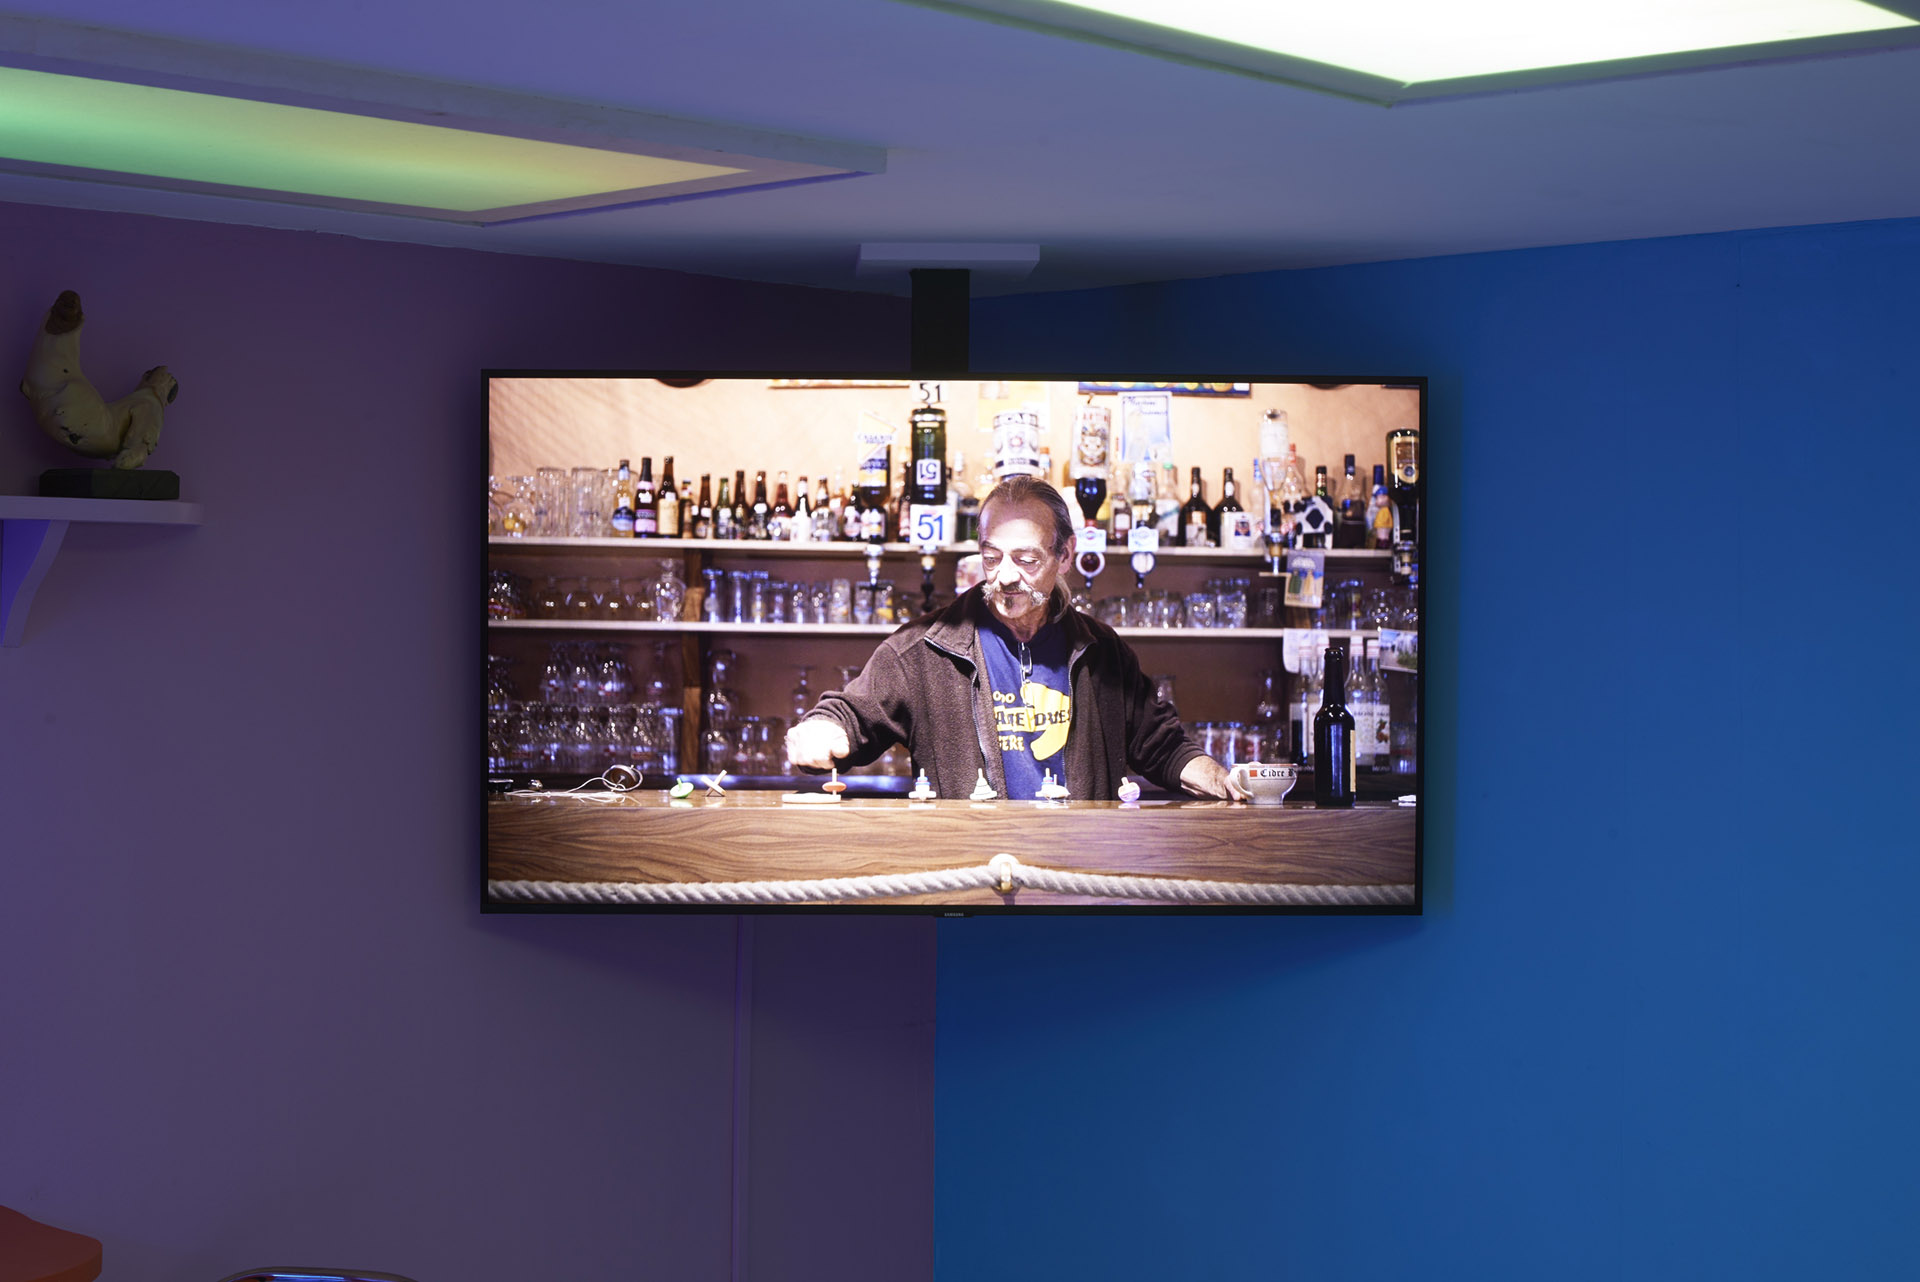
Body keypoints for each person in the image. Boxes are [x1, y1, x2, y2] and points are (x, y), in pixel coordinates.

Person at [785, 474, 1248, 801]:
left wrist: (1222, 781)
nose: (1005, 576)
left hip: (1079, 875)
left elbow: (1163, 746)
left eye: (1026, 559)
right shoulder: (924, 648)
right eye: (992, 558)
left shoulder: (1103, 652)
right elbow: (850, 714)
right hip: (972, 874)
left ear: (1065, 555)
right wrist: (820, 730)